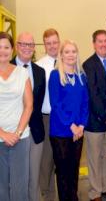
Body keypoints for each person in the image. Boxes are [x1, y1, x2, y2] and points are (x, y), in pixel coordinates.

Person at [48, 40, 89, 201]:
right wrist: (71, 125)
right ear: (62, 55)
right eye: (67, 52)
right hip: (61, 132)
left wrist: (81, 125)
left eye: (74, 51)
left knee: (74, 170)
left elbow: (85, 103)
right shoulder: (55, 75)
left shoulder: (81, 76)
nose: (71, 55)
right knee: (63, 171)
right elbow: (56, 104)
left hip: (78, 131)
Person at [83, 30, 106, 201]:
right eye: (100, 41)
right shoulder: (88, 65)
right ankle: (95, 192)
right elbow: (93, 93)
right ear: (93, 43)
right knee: (95, 158)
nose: (104, 44)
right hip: (95, 121)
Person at [11, 32, 46, 201]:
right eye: (23, 44)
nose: (27, 48)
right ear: (17, 46)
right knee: (14, 177)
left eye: (30, 45)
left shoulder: (40, 72)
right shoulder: (6, 67)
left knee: (34, 177)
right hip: (13, 132)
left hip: (35, 132)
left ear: (34, 48)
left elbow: (37, 105)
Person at [0, 32, 33, 201]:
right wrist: (3, 134)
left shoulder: (22, 73)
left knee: (20, 187)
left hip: (21, 138)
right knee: (1, 188)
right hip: (0, 137)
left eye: (6, 47)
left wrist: (17, 133)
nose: (2, 51)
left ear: (12, 49)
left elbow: (29, 105)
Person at [36, 28, 60, 201]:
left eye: (55, 42)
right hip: (47, 118)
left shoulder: (67, 60)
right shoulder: (39, 65)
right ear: (44, 45)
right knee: (47, 161)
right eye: (48, 43)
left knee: (63, 160)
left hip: (64, 120)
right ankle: (48, 196)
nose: (52, 46)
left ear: (59, 42)